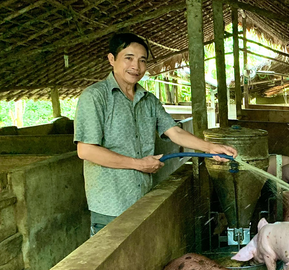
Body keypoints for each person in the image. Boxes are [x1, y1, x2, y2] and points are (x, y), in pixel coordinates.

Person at [74, 32, 237, 235]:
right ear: (111, 59)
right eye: (129, 58)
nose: (136, 66)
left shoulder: (148, 100)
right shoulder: (95, 97)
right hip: (111, 206)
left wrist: (211, 147)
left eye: (142, 60)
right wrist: (138, 164)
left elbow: (175, 132)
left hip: (142, 199)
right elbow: (86, 150)